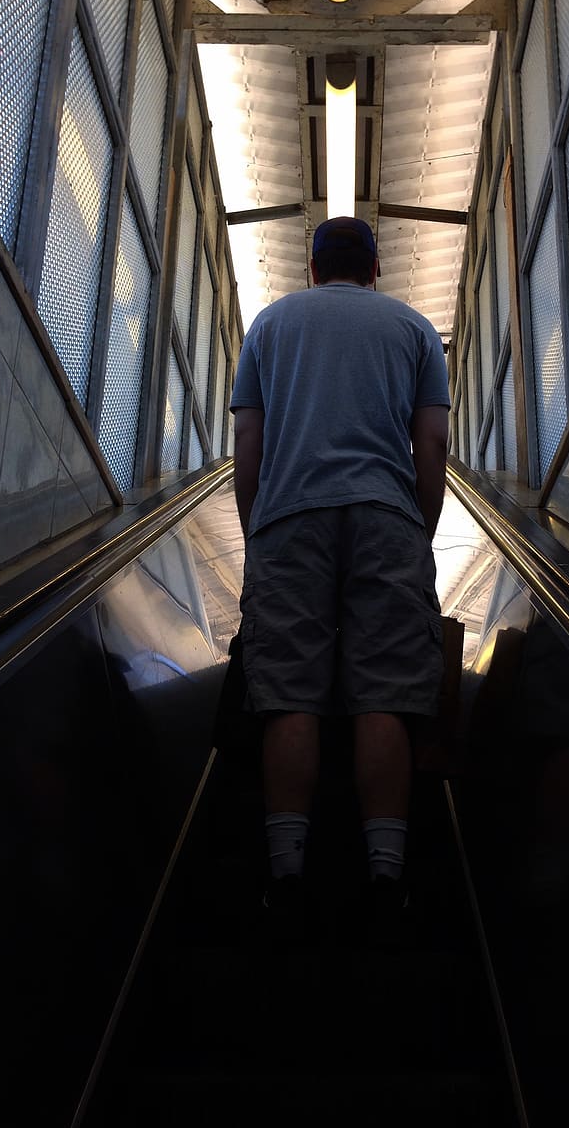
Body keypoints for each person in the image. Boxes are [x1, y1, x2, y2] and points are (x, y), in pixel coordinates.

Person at [229, 216, 450, 945]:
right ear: (376, 267)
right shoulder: (415, 330)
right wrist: (415, 525)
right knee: (383, 692)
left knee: (290, 690)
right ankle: (387, 877)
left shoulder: (269, 327)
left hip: (289, 516)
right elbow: (433, 440)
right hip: (388, 516)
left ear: (314, 267)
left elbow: (248, 440)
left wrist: (258, 523)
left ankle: (286, 877)